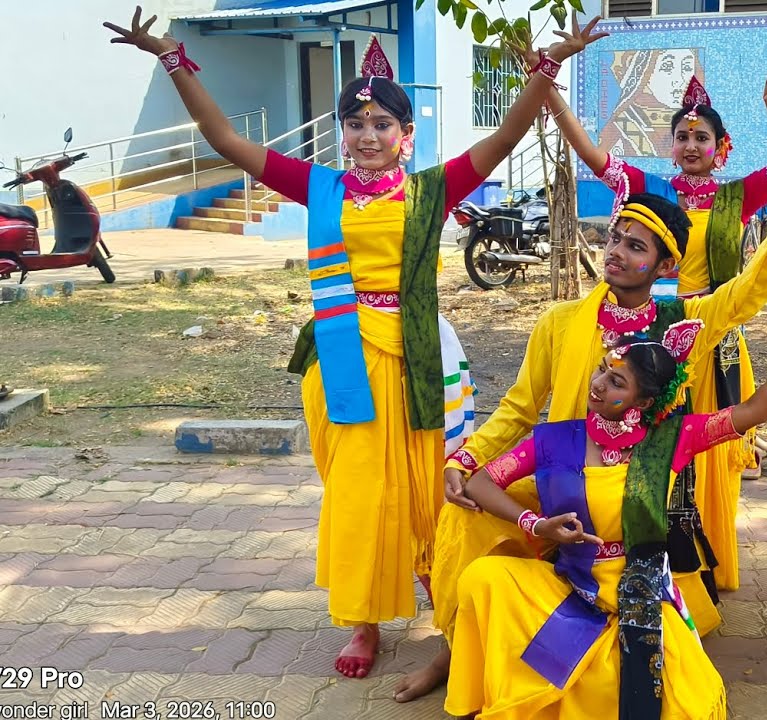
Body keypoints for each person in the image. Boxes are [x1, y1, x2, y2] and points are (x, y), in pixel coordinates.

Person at [105, 6, 608, 679]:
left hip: (417, 361)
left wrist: (548, 70)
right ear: (341, 133)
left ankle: (444, 602)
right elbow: (225, 139)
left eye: (382, 124)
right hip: (342, 361)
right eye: (356, 123)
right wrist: (174, 60)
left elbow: (510, 133)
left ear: (405, 134)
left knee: (435, 489)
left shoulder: (433, 189)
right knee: (361, 498)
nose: (367, 135)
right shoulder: (319, 187)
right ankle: (364, 622)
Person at [391, 188, 767, 702]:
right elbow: (520, 408)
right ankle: (456, 649)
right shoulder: (560, 322)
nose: (616, 251)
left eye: (636, 246)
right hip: (555, 478)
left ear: (665, 263)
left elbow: (746, 294)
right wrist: (467, 458)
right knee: (465, 510)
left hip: (625, 495)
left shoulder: (682, 322)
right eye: (614, 238)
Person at [542, 52, 767, 592]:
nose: (690, 146)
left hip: (713, 334)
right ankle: (643, 554)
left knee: (702, 451)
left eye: (700, 137)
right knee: (646, 446)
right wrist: (547, 89)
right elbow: (591, 155)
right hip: (647, 339)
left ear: (719, 147)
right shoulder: (650, 192)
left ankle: (700, 565)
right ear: (670, 145)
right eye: (681, 137)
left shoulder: (738, 196)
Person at [443, 319, 767, 719]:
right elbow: (481, 483)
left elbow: (753, 412)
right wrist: (535, 524)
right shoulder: (556, 438)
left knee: (669, 695)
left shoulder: (670, 440)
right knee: (483, 578)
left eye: (616, 381)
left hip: (640, 588)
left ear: (643, 402)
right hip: (569, 584)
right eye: (602, 371)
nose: (597, 385)